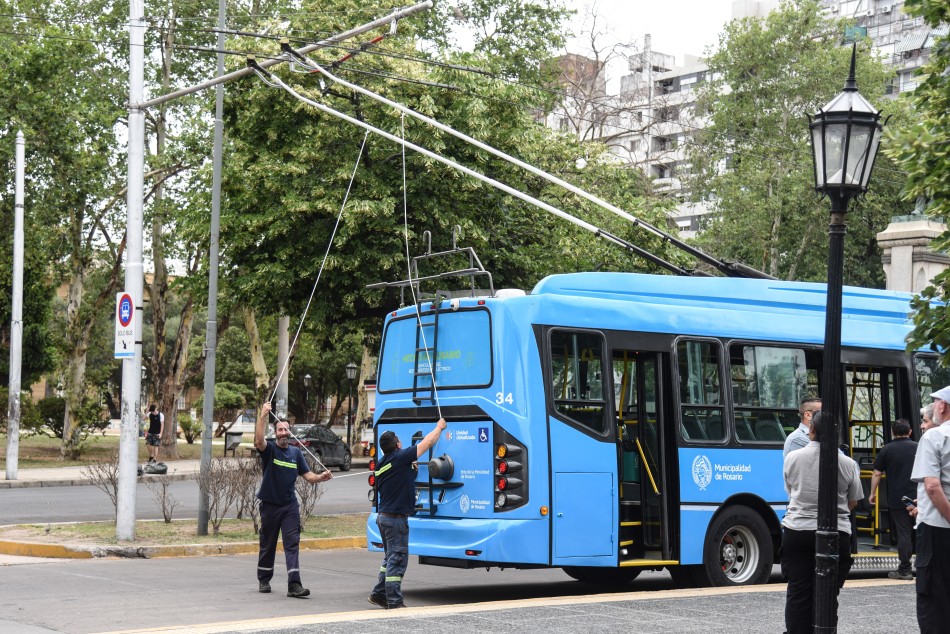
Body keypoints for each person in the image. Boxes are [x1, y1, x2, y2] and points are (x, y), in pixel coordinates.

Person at [781, 411, 863, 634]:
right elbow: (853, 501)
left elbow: (790, 492)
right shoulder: (848, 464)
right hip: (837, 534)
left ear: (811, 430)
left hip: (797, 530)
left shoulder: (792, 458)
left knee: (798, 592)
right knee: (827, 593)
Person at [254, 402, 332, 598]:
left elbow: (308, 476)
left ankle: (294, 585)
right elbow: (258, 441)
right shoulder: (269, 450)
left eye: (286, 430)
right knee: (268, 543)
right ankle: (264, 579)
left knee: (292, 543)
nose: (283, 433)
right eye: (280, 429)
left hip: (289, 506)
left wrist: (320, 477)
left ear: (290, 432)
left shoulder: (296, 453)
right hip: (270, 505)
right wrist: (263, 416)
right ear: (275, 432)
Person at [368, 417, 447, 609]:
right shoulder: (400, 457)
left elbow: (399, 479)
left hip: (383, 518)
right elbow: (428, 442)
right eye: (398, 440)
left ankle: (379, 594)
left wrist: (410, 470)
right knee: (397, 560)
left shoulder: (382, 464)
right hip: (395, 520)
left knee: (389, 558)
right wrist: (439, 427)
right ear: (397, 445)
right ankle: (394, 601)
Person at [910, 386, 950, 632]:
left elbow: (933, 487)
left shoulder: (935, 437)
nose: (933, 407)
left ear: (943, 406)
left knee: (934, 599)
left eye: (934, 402)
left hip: (938, 528)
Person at [868, 419, 918, 580]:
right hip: (921, 498)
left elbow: (876, 473)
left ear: (892, 433)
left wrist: (872, 493)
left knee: (904, 533)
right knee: (924, 531)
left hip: (898, 499)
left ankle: (905, 569)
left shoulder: (887, 450)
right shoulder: (919, 447)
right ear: (910, 431)